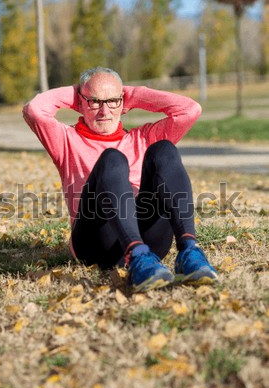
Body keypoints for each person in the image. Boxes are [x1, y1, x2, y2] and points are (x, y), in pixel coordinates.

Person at [23, 66, 218, 292]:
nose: (104, 111)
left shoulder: (143, 138)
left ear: (123, 104)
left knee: (164, 149)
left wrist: (132, 95)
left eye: (113, 101)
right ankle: (136, 256)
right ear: (81, 103)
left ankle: (189, 251)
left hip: (150, 241)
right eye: (94, 101)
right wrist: (78, 95)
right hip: (96, 243)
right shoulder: (66, 140)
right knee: (112, 159)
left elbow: (190, 110)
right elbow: (35, 110)